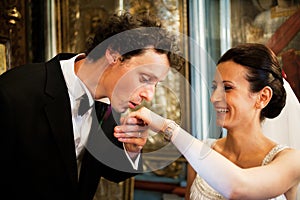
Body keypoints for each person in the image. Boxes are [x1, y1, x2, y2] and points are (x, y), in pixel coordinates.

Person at [0, 11, 183, 200]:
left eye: (156, 84)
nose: (149, 95)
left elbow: (111, 171)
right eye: (144, 79)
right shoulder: (13, 93)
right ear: (113, 54)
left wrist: (132, 150)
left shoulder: (111, 100)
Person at [115, 43, 300, 199]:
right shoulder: (202, 152)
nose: (214, 98)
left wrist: (166, 126)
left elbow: (237, 186)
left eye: (227, 88)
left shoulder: (291, 161)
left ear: (263, 97)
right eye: (214, 87)